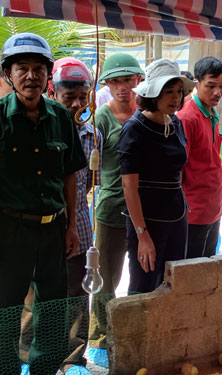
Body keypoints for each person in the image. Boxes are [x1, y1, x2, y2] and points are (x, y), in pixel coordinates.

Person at [0, 33, 87, 375]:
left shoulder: (61, 117)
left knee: (53, 308)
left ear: (48, 75)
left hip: (53, 229)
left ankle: (45, 369)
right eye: (22, 68)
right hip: (10, 229)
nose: (31, 76)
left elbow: (69, 175)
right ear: (9, 73)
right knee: (6, 307)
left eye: (39, 68)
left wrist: (70, 227)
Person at [118, 58, 194, 293]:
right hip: (147, 221)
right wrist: (142, 235)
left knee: (173, 286)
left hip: (177, 217)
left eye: (179, 92)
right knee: (144, 289)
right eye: (168, 91)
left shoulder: (176, 123)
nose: (175, 98)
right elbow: (129, 187)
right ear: (153, 94)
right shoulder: (134, 128)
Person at [88, 53, 143, 368]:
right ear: (107, 84)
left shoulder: (147, 113)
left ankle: (133, 331)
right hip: (110, 209)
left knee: (140, 273)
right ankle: (100, 339)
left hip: (146, 211)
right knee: (106, 278)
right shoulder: (101, 118)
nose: (123, 87)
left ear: (138, 80)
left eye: (128, 79)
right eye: (116, 81)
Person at [48, 57, 102, 375]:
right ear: (52, 93)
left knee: (78, 299)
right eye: (70, 98)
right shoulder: (40, 131)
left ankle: (74, 360)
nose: (78, 104)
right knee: (38, 299)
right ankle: (33, 357)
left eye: (83, 97)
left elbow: (90, 184)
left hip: (79, 229)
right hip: (42, 233)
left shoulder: (91, 135)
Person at [176, 57, 222, 259]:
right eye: (211, 86)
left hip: (213, 207)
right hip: (193, 213)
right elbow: (179, 170)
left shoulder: (211, 111)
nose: (218, 92)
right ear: (197, 83)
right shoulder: (187, 117)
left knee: (207, 268)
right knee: (191, 273)